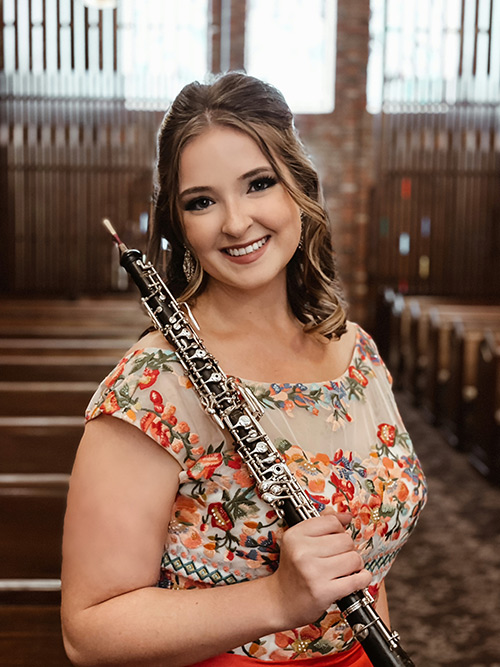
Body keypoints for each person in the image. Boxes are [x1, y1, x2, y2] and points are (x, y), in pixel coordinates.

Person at [61, 72, 427, 667]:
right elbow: (88, 633)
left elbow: (364, 558)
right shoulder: (152, 386)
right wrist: (277, 599)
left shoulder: (356, 353)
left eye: (258, 184)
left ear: (298, 189)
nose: (235, 222)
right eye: (201, 201)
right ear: (178, 225)